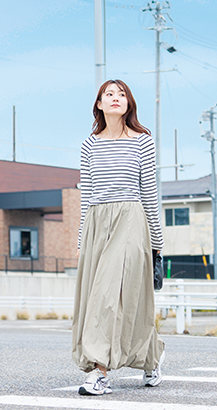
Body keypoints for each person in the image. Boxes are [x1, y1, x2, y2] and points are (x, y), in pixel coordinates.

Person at [71, 79, 166, 396]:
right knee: (122, 300)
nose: (116, 98)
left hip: (130, 221)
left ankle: (99, 372)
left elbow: (149, 193)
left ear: (129, 104)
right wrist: (82, 239)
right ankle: (151, 357)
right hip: (98, 222)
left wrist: (156, 242)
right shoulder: (89, 145)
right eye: (109, 94)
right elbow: (86, 196)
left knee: (108, 297)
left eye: (121, 94)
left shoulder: (142, 142)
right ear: (99, 104)